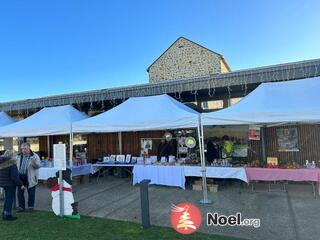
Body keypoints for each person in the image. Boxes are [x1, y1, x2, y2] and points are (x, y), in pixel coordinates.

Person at [0, 150, 24, 221]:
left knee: (7, 199)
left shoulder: (1, 162)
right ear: (12, 156)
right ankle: (7, 215)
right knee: (9, 199)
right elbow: (15, 177)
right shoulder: (12, 164)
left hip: (3, 183)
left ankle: (4, 212)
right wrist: (21, 184)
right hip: (10, 184)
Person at [16, 142, 41, 212]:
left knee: (31, 193)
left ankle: (30, 207)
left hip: (30, 177)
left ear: (29, 148)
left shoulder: (34, 156)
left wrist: (33, 162)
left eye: (25, 149)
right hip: (20, 177)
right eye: (22, 149)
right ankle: (21, 207)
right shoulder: (18, 156)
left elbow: (38, 166)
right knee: (20, 193)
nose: (23, 150)